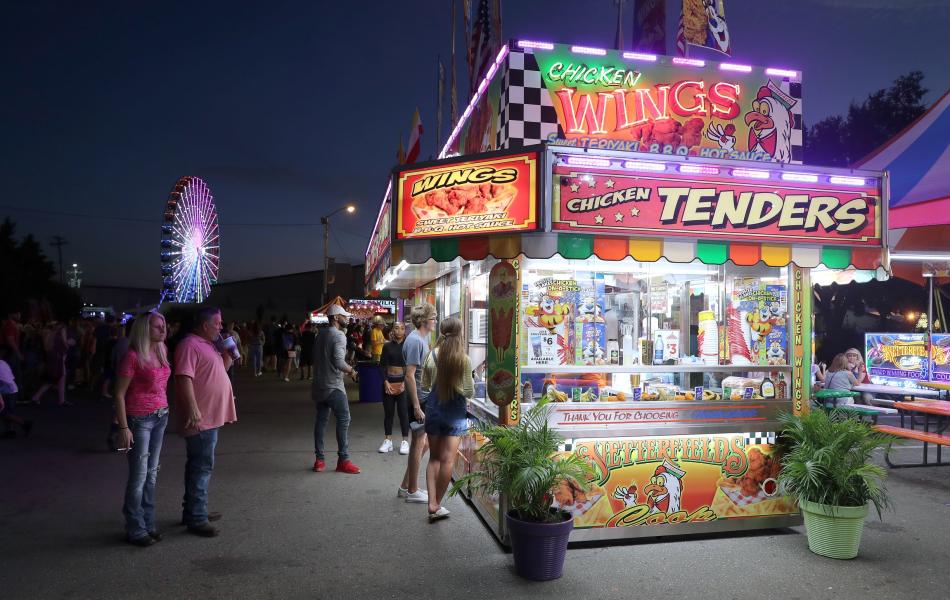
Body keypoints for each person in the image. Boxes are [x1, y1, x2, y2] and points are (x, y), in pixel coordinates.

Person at [174, 307, 236, 537]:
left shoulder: (208, 345)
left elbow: (222, 369)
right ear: (204, 325)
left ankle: (193, 510)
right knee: (202, 466)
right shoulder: (189, 345)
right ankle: (197, 518)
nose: (221, 327)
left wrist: (229, 352)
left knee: (198, 465)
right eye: (217, 323)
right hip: (201, 418)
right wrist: (192, 408)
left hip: (210, 416)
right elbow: (183, 378)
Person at [114, 312, 171, 547]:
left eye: (164, 325)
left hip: (161, 416)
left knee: (152, 473)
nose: (163, 330)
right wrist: (124, 426)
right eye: (158, 327)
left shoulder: (161, 351)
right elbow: (118, 394)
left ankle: (148, 522)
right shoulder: (133, 356)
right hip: (140, 420)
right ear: (144, 329)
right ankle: (135, 526)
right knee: (139, 475)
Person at [421, 317, 474, 520]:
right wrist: (457, 387)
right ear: (460, 333)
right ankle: (437, 504)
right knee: (448, 460)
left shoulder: (431, 355)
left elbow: (425, 386)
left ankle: (430, 501)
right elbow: (468, 391)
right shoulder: (464, 359)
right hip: (454, 414)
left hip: (434, 411)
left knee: (434, 458)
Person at [311, 304, 360, 474]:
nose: (347, 318)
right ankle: (343, 460)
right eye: (344, 316)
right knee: (344, 419)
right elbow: (339, 362)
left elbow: (323, 360)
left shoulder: (320, 334)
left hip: (318, 386)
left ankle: (319, 460)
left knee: (321, 421)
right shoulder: (339, 335)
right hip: (333, 387)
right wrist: (352, 371)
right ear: (336, 318)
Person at [399, 303, 436, 504]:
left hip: (423, 397)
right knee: (418, 442)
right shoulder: (415, 341)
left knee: (424, 442)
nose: (435, 320)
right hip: (419, 399)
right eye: (433, 317)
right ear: (423, 320)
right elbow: (410, 376)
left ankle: (406, 485)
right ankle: (412, 490)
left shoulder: (421, 339)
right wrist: (416, 406)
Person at [378, 322, 409, 455]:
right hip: (389, 384)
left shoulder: (408, 346)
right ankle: (388, 440)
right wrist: (385, 382)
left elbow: (411, 366)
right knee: (388, 413)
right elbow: (382, 366)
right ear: (392, 330)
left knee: (403, 413)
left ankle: (405, 441)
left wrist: (405, 383)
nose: (399, 331)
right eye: (396, 328)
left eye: (402, 328)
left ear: (405, 331)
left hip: (403, 385)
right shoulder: (387, 346)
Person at [31, 322, 69, 406]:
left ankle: (61, 400)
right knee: (54, 379)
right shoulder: (59, 336)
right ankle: (36, 397)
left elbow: (46, 348)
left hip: (52, 359)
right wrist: (68, 343)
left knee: (56, 379)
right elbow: (65, 346)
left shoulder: (49, 335)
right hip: (58, 360)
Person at [0, 346, 32, 438]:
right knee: (8, 412)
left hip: (8, 390)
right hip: (12, 389)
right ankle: (10, 430)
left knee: (4, 413)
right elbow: (11, 377)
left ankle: (24, 423)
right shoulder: (4, 363)